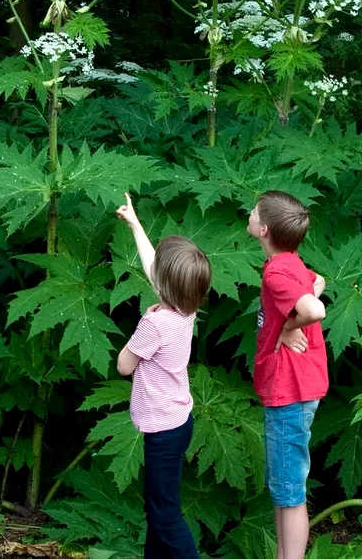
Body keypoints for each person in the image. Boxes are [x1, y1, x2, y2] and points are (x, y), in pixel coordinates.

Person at [115, 192, 211, 559]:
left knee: (165, 515)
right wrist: (136, 223)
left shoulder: (154, 322)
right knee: (157, 512)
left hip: (162, 433)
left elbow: (125, 365)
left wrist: (139, 330)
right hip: (177, 422)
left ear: (163, 288)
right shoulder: (185, 312)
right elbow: (155, 266)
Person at [246, 190, 328, 559]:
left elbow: (315, 307)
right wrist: (287, 322)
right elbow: (319, 281)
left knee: (290, 491)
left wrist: (287, 325)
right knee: (283, 486)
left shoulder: (278, 271)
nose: (248, 214)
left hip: (289, 392)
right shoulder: (291, 262)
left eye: (253, 211)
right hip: (297, 389)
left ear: (263, 229)